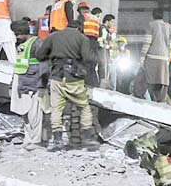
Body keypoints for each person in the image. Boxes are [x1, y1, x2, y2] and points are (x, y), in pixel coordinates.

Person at [36, 20, 98, 150]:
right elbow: (87, 58)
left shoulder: (53, 36)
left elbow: (40, 55)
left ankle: (57, 140)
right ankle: (87, 137)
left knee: (56, 109)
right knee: (84, 106)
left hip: (56, 77)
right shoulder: (82, 38)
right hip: (74, 78)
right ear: (79, 28)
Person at [10, 21, 49, 149]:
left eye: (18, 35)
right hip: (23, 84)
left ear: (25, 33)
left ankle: (36, 141)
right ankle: (28, 138)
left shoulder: (37, 43)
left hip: (34, 84)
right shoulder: (21, 45)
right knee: (24, 113)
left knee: (35, 115)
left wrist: (42, 84)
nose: (16, 37)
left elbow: (44, 65)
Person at [140, 9, 171, 102]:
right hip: (164, 58)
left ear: (153, 15)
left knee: (145, 79)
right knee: (161, 81)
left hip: (152, 57)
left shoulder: (151, 25)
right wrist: (168, 58)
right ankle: (161, 101)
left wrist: (142, 58)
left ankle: (141, 99)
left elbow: (147, 42)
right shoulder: (168, 27)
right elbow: (170, 44)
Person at [99, 14, 117, 89]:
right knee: (105, 72)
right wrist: (110, 46)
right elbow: (102, 42)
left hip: (107, 55)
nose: (112, 24)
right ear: (107, 21)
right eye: (112, 22)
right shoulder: (103, 29)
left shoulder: (107, 30)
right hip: (104, 54)